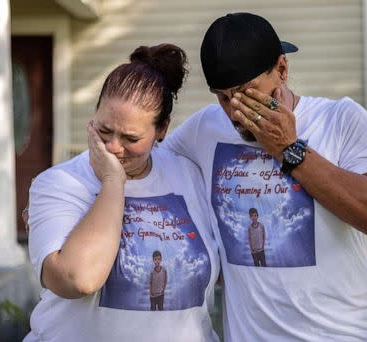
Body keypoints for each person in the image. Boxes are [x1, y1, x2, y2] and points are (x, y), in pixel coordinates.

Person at [163, 12, 367, 341]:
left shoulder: (339, 119)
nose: (235, 112)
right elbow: (147, 168)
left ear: (282, 70)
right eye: (223, 97)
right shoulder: (204, 129)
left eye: (247, 93)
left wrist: (290, 150)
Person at [24, 44, 220, 342]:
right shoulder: (58, 184)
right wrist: (113, 182)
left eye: (131, 138)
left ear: (163, 130)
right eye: (104, 131)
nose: (113, 148)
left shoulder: (189, 175)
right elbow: (79, 279)